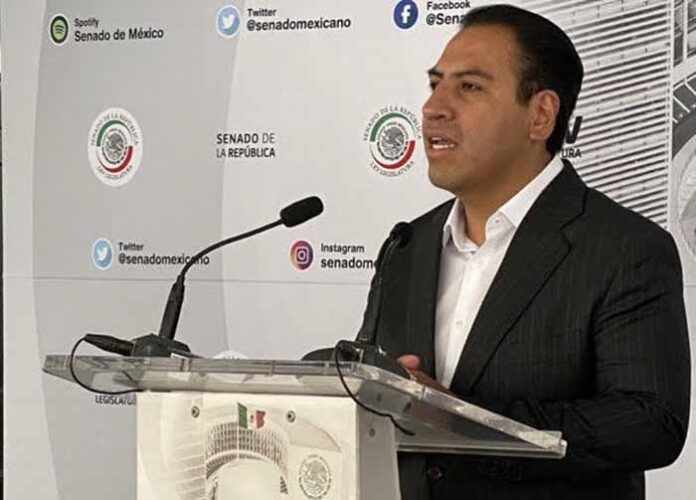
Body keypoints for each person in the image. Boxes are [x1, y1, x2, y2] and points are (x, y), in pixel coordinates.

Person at [366, 4, 691, 499]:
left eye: (469, 87)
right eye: (435, 84)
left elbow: (648, 424)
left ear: (539, 115)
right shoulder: (406, 247)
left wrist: (460, 417)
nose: (434, 108)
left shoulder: (625, 248)